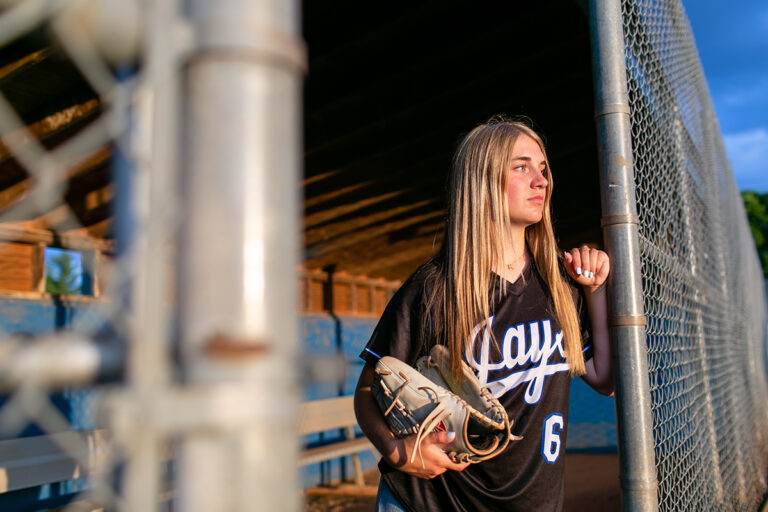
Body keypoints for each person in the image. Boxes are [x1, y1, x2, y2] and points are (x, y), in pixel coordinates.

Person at [353, 117, 614, 512]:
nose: (541, 181)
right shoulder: (434, 288)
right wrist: (397, 452)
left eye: (543, 169)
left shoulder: (560, 287)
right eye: (521, 167)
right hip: (431, 502)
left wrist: (595, 292)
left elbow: (605, 379)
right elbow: (367, 391)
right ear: (482, 181)